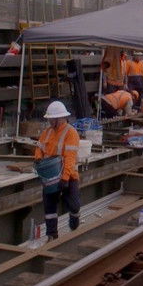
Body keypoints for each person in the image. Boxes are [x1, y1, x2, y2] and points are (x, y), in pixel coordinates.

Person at [35, 101, 81, 242]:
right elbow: (40, 147)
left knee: (73, 205)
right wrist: (37, 159)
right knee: (49, 208)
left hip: (68, 176)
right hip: (50, 177)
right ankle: (52, 236)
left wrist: (65, 178)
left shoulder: (71, 133)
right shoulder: (47, 132)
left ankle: (74, 220)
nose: (48, 121)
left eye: (50, 118)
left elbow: (70, 157)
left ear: (58, 118)